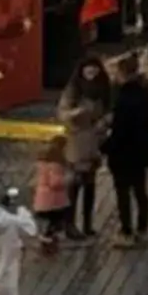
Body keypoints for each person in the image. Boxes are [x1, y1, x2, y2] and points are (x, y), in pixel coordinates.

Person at [105, 51, 148, 247]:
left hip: (123, 152)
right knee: (140, 190)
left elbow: (120, 129)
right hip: (142, 148)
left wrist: (105, 146)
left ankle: (126, 230)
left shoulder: (124, 98)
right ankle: (143, 228)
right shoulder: (146, 91)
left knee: (123, 192)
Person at [59, 53, 112, 241]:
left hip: (95, 140)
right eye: (88, 69)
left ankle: (88, 223)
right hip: (78, 140)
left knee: (90, 182)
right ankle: (70, 224)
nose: (92, 73)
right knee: (75, 182)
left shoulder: (104, 88)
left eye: (95, 69)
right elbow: (63, 113)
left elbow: (109, 111)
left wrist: (104, 123)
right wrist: (78, 112)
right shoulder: (73, 90)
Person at [31, 132, 72, 244]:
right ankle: (48, 235)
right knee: (56, 219)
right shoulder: (56, 166)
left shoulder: (42, 163)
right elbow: (55, 183)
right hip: (53, 200)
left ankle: (47, 234)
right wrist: (68, 179)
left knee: (50, 220)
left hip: (43, 198)